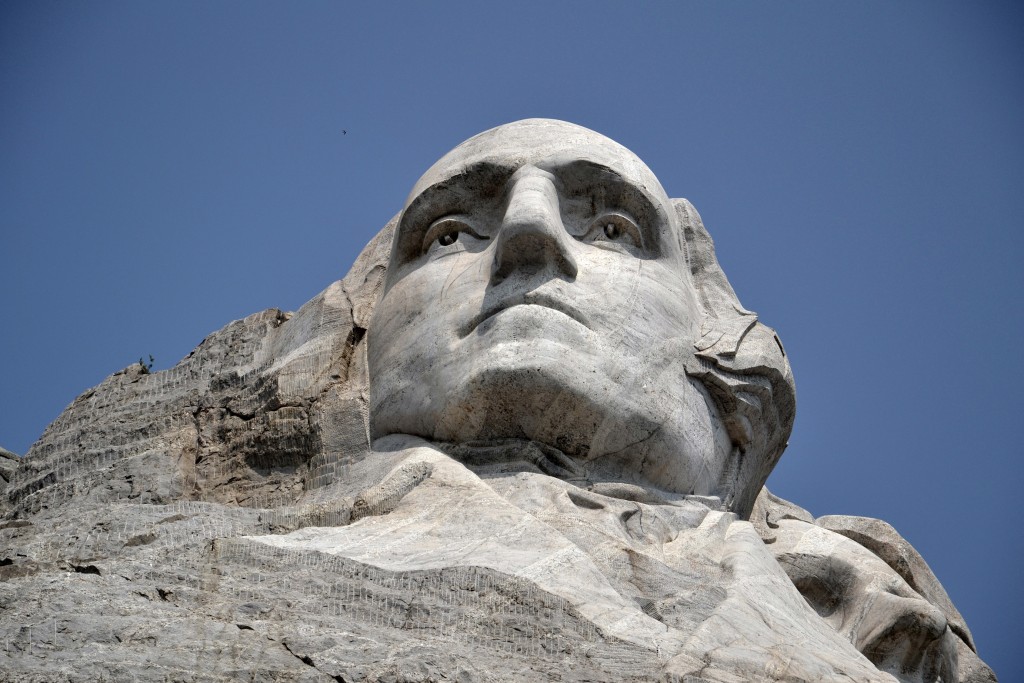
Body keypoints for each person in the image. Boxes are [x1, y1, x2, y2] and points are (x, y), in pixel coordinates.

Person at [368, 118, 794, 519]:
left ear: (712, 321)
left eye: (613, 229)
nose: (528, 227)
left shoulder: (849, 593)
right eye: (450, 234)